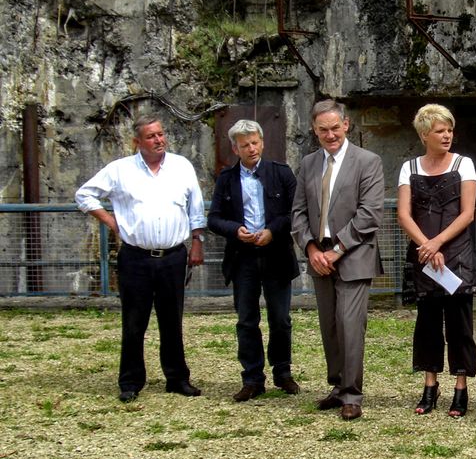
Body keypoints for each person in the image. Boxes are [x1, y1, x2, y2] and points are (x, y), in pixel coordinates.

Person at [75, 115, 206, 403]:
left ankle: (177, 378)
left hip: (173, 255)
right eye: (151, 136)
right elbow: (84, 195)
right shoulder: (120, 170)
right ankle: (131, 381)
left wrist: (197, 241)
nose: (159, 140)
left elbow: (195, 208)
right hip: (135, 258)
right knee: (135, 322)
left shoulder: (181, 166)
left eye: (161, 134)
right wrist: (110, 220)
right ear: (137, 142)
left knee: (172, 320)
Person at [291, 100, 384, 421]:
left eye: (334, 128)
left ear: (346, 125)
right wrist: (311, 249)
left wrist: (337, 249)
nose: (330, 135)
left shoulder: (368, 162)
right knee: (329, 326)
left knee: (349, 325)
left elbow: (370, 213)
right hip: (319, 256)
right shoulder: (307, 164)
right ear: (314, 131)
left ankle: (353, 395)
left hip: (353, 254)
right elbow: (298, 212)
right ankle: (337, 386)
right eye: (322, 130)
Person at [208, 119, 301, 402]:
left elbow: (295, 211)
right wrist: (235, 231)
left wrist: (272, 231)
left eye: (255, 143)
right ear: (235, 149)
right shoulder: (226, 179)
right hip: (243, 257)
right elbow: (213, 219)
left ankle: (282, 372)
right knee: (247, 320)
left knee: (280, 319)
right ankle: (252, 378)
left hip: (275, 255)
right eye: (245, 145)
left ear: (262, 142)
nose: (251, 148)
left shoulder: (281, 173)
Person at [396, 104, 476, 418]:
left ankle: (460, 386)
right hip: (423, 256)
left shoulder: (464, 164)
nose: (447, 136)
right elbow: (404, 214)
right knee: (427, 322)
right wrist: (425, 246)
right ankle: (430, 384)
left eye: (449, 130)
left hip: (456, 254)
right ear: (424, 135)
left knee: (459, 324)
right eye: (439, 131)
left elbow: (468, 213)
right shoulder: (410, 168)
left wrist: (437, 242)